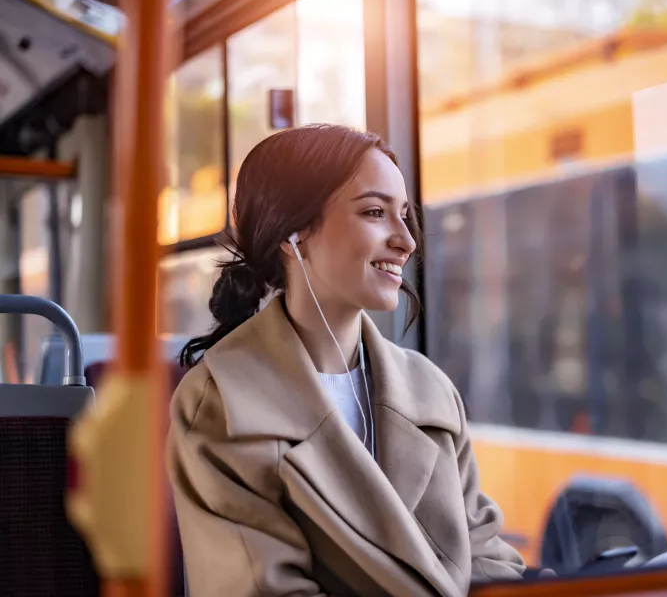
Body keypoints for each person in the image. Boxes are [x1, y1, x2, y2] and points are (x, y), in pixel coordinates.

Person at [167, 124, 526, 596]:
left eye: (405, 216)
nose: (406, 241)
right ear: (291, 231)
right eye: (375, 212)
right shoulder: (221, 404)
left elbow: (487, 559)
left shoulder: (430, 390)